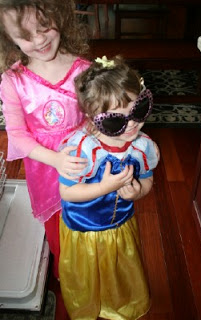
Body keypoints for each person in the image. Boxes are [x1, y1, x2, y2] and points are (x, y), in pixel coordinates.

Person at [58, 55, 160, 320]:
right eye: (117, 121)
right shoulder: (82, 151)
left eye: (139, 110)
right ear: (94, 119)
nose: (133, 124)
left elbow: (148, 178)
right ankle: (88, 306)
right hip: (85, 230)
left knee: (118, 269)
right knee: (87, 273)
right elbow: (67, 193)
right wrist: (106, 186)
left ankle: (118, 302)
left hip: (121, 225)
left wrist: (139, 191)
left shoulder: (142, 146)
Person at [0, 0, 90, 279]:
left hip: (83, 160)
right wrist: (55, 159)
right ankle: (67, 272)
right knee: (56, 226)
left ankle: (89, 267)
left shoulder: (84, 69)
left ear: (59, 16)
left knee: (87, 217)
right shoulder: (12, 81)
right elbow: (16, 134)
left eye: (43, 27)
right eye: (26, 37)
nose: (39, 40)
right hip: (45, 169)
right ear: (9, 40)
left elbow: (94, 116)